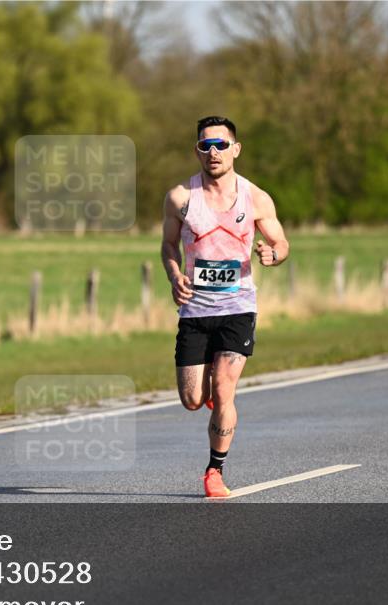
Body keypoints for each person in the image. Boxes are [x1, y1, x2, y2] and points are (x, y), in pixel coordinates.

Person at [160, 115, 290, 498]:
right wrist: (174, 275)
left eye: (220, 145)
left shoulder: (256, 198)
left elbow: (281, 243)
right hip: (196, 312)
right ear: (197, 151)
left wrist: (272, 254)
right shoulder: (181, 198)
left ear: (236, 149)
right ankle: (213, 398)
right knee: (192, 400)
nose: (213, 152)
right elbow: (168, 246)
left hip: (238, 308)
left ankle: (214, 471)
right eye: (205, 146)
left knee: (225, 386)